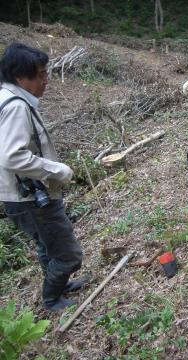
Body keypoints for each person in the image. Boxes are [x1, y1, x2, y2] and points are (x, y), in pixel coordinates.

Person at [0, 43, 85, 311]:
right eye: (39, 75)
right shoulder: (16, 107)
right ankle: (52, 299)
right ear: (19, 77)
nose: (46, 80)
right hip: (29, 197)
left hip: (19, 195)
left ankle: (59, 285)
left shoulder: (9, 99)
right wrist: (56, 170)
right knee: (69, 254)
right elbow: (12, 156)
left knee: (47, 245)